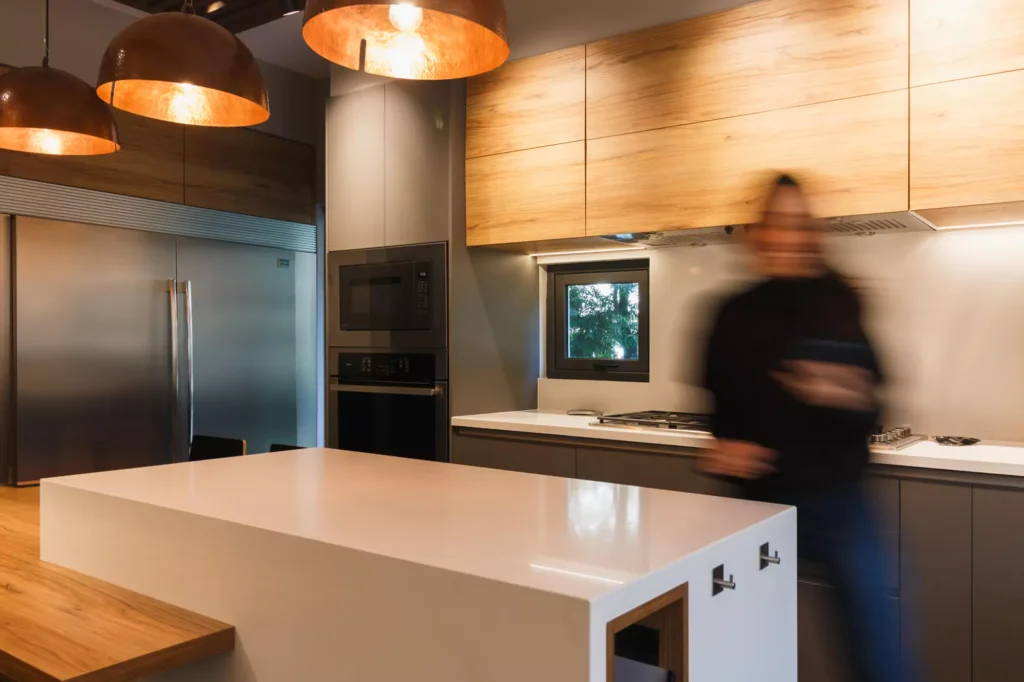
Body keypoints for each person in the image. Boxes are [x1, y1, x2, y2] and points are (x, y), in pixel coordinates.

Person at [700, 173, 912, 682]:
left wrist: (835, 390)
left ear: (812, 234)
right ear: (757, 234)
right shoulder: (730, 313)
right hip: (758, 506)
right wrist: (722, 449)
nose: (786, 238)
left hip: (841, 501)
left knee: (879, 651)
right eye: (775, 224)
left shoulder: (840, 301)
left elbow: (874, 402)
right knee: (744, 650)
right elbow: (719, 415)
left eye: (798, 226)